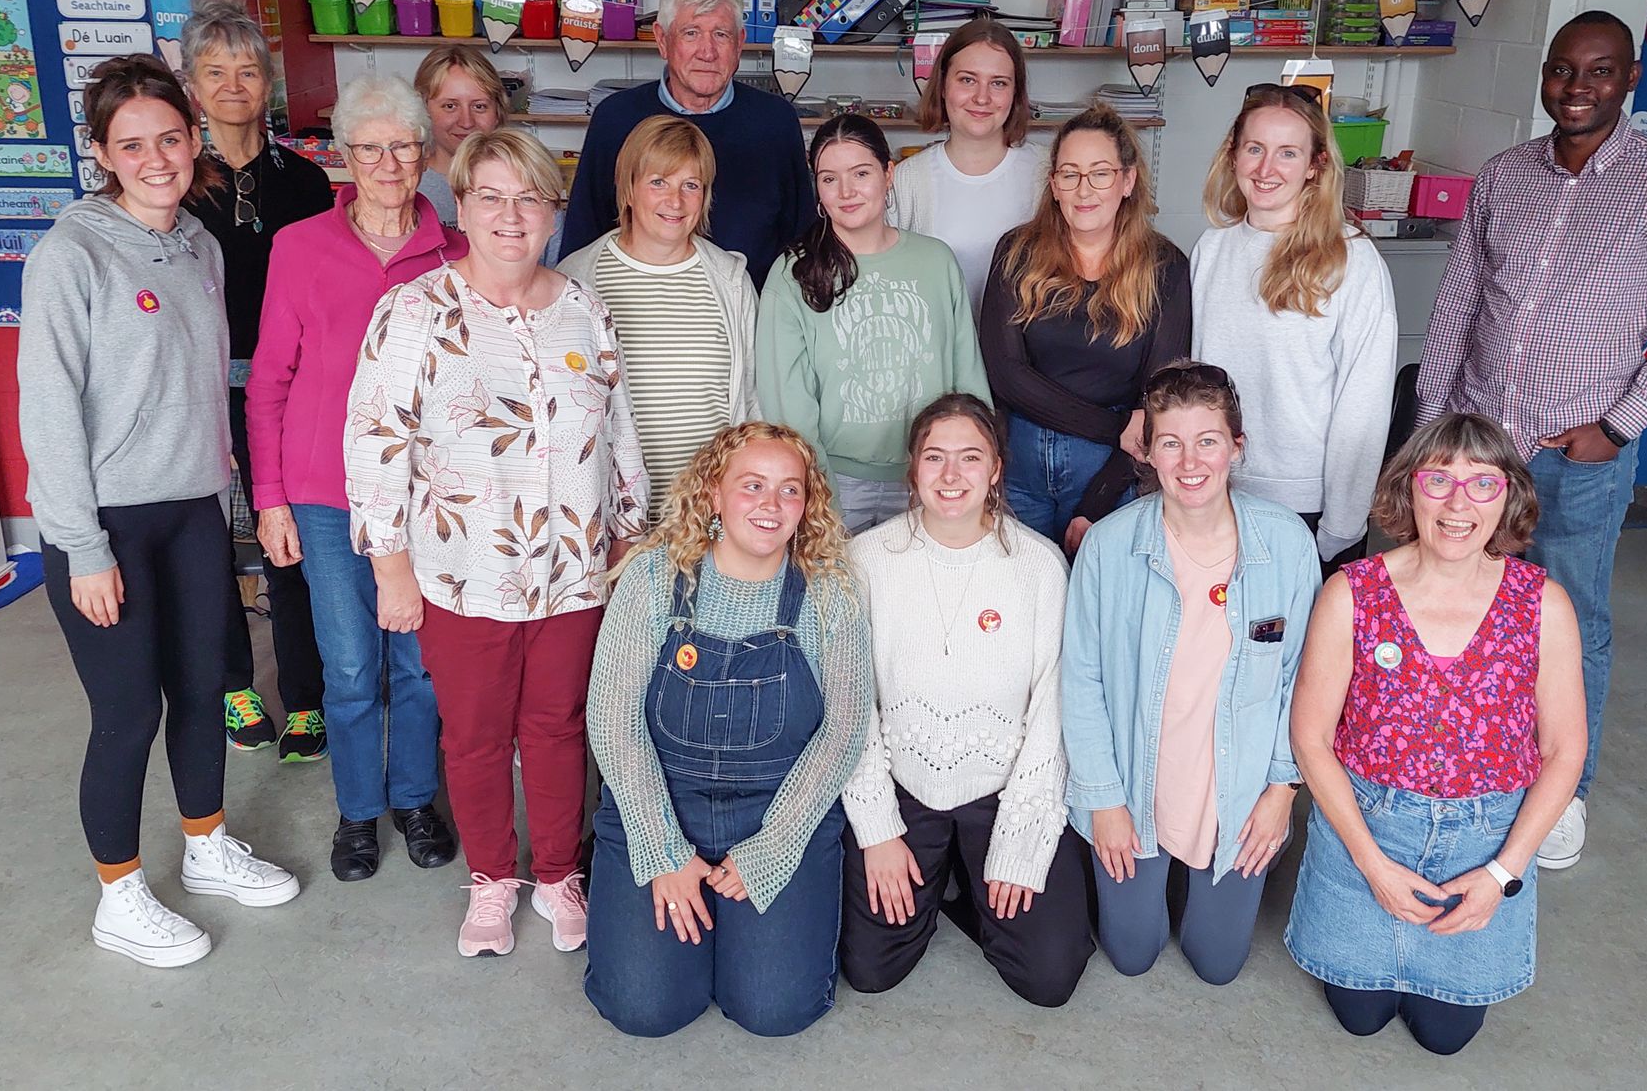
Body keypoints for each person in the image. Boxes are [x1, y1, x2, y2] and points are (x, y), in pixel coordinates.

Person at [1415, 10, 1647, 869]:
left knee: (1570, 622)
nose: (1576, 88)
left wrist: (1619, 427)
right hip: (1478, 450)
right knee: (1465, 614)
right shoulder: (1504, 175)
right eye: (1561, 70)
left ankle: (1564, 793)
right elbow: (1457, 307)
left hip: (1576, 457)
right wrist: (1428, 435)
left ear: (1631, 79)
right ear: (1545, 76)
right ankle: (1467, 758)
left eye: (1598, 71)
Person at [20, 53, 298, 969]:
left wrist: (226, 497)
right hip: (108, 525)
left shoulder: (200, 246)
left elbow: (199, 386)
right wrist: (80, 545)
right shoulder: (71, 252)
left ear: (192, 141)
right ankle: (119, 892)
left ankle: (208, 843)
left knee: (203, 691)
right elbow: (50, 408)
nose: (156, 158)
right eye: (131, 144)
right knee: (127, 710)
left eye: (169, 139)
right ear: (102, 152)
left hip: (192, 512)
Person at [347, 127, 648, 956]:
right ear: (462, 207)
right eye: (490, 196)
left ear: (553, 211)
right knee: (475, 735)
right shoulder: (414, 310)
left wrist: (630, 534)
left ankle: (555, 873)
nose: (511, 216)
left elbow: (616, 433)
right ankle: (492, 879)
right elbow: (375, 442)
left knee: (557, 725)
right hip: (461, 572)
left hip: (574, 572)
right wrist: (391, 569)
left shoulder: (585, 308)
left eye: (529, 197)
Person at [1284, 413, 1588, 1055]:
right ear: (1408, 489)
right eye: (1437, 480)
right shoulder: (1352, 593)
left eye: (1482, 484)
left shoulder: (1543, 605)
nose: (1457, 503)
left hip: (1486, 844)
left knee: (1445, 1036)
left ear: (1509, 497)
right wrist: (1374, 867)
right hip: (1366, 832)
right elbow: (1311, 738)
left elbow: (1564, 752)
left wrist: (1502, 875)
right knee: (1359, 1015)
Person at [583, 423, 872, 1036]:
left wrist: (774, 847)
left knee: (775, 1010)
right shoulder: (655, 577)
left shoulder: (829, 589)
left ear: (808, 504)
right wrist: (662, 849)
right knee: (644, 1008)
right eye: (753, 485)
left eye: (790, 490)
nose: (771, 505)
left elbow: (844, 730)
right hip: (664, 802)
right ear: (714, 493)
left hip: (777, 810)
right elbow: (612, 720)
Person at [248, 73, 466, 883]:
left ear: (422, 154)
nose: (386, 162)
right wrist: (270, 498)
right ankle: (357, 813)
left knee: (418, 664)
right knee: (347, 666)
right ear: (343, 155)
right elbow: (269, 378)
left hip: (428, 496)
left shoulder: (456, 251)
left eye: (402, 146)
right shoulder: (299, 247)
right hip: (324, 491)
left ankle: (412, 798)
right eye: (368, 147)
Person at [1059, 360, 1318, 984]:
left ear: (1237, 445)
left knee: (1217, 963)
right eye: (1170, 443)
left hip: (1238, 789)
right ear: (1146, 452)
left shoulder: (1286, 544)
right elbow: (1081, 681)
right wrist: (1104, 801)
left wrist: (1281, 791)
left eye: (1208, 441)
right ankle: (1160, 866)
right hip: (1135, 782)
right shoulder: (1109, 546)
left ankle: (1198, 872)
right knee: (1131, 954)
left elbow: (1303, 681)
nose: (1190, 461)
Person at [839, 393, 1093, 1007]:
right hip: (903, 785)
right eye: (935, 458)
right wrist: (877, 832)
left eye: (970, 458)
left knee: (1049, 977)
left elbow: (1052, 712)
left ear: (997, 468)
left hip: (1003, 786)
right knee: (872, 969)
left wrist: (1019, 842)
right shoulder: (866, 559)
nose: (951, 476)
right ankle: (946, 872)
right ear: (913, 468)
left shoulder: (1038, 564)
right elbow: (849, 703)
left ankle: (966, 873)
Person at [180, 0, 334, 760]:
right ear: (192, 87)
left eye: (248, 70)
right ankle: (235, 684)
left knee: (290, 542)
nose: (234, 85)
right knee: (208, 546)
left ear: (268, 83)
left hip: (287, 389)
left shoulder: (305, 182)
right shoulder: (175, 185)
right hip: (200, 390)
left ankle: (305, 698)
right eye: (216, 72)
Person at [1192, 83, 1397, 576]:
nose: (1266, 170)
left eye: (1288, 153)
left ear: (1315, 165)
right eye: (1255, 149)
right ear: (1233, 155)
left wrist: (1343, 523)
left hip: (1308, 505)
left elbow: (1363, 404)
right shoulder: (1212, 249)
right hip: (1218, 490)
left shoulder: (1351, 259)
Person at [756, 114, 990, 532]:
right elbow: (788, 403)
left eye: (861, 173)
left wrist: (969, 468)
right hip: (834, 481)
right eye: (829, 179)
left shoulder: (935, 262)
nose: (846, 192)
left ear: (888, 174)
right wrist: (815, 489)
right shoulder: (792, 273)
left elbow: (967, 379)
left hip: (933, 478)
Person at [979, 105, 1191, 552]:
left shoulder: (1165, 267)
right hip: (1021, 469)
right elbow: (1005, 375)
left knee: (1101, 609)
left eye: (1100, 173)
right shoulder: (1016, 252)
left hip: (1111, 475)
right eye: (1070, 174)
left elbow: (1157, 400)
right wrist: (1113, 427)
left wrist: (1097, 502)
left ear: (1127, 181)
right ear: (1054, 185)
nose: (1083, 189)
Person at [558, 0, 815, 287]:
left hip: (751, 322)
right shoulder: (615, 120)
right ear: (663, 40)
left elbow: (801, 243)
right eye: (691, 33)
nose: (707, 52)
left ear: (739, 43)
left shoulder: (776, 121)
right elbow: (582, 239)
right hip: (632, 319)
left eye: (720, 34)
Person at [559, 115, 759, 515]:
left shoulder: (731, 281)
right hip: (616, 519)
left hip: (710, 515)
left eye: (691, 185)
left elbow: (752, 404)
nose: (675, 201)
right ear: (628, 188)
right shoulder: (575, 280)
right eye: (658, 182)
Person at [889, 19, 1046, 311]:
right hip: (938, 353)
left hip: (1025, 354)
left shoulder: (1049, 172)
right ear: (943, 85)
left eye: (998, 83)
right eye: (967, 80)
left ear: (1015, 94)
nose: (982, 97)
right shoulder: (907, 181)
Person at [412, 44, 507, 229]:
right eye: (450, 106)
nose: (466, 122)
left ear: (497, 111)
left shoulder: (526, 182)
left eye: (479, 106)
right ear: (423, 110)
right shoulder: (407, 185)